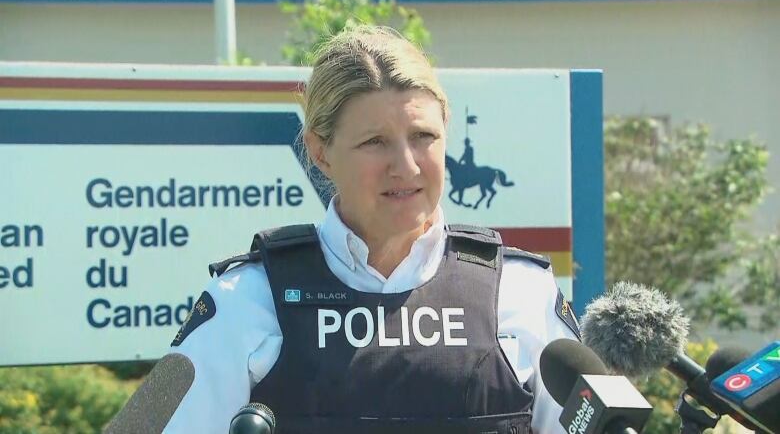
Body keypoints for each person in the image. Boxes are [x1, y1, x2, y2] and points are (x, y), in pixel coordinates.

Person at [162, 25, 580, 434]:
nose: (407, 166)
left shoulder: (524, 295)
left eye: (423, 136)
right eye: (375, 142)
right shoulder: (244, 303)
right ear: (320, 152)